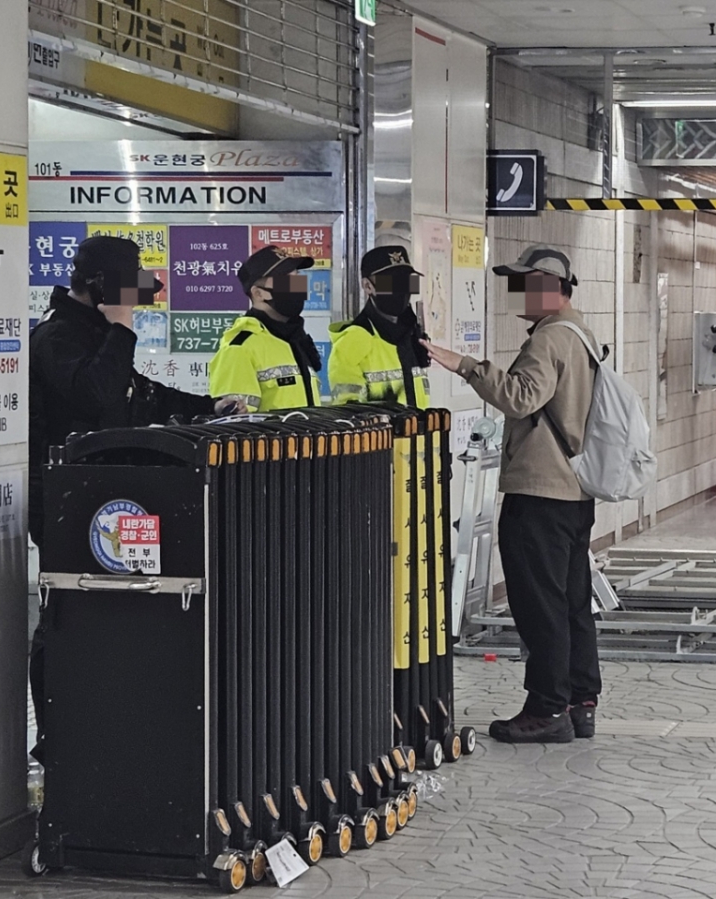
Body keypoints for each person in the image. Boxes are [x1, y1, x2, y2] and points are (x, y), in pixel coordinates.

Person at [28, 235, 240, 763]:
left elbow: (139, 394)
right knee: (66, 614)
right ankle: (58, 733)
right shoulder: (56, 337)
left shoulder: (97, 332)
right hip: (64, 501)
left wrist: (209, 407)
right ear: (100, 286)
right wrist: (122, 323)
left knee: (111, 616)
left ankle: (103, 720)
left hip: (106, 497)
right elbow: (99, 395)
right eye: (130, 284)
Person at [423, 245, 601, 744]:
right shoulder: (582, 333)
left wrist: (465, 365)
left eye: (526, 283)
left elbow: (522, 396)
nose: (518, 293)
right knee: (570, 601)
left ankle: (547, 709)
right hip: (573, 491)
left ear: (552, 286)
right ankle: (580, 702)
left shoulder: (550, 339)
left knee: (539, 603)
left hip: (540, 490)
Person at [209, 246, 322, 411]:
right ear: (258, 293)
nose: (295, 286)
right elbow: (235, 425)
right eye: (285, 281)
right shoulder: (240, 348)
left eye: (297, 278)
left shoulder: (295, 340)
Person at [329, 245, 431, 408]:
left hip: (421, 433)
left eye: (407, 282)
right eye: (390, 282)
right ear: (368, 286)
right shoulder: (353, 339)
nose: (401, 289)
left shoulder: (412, 334)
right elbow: (348, 411)